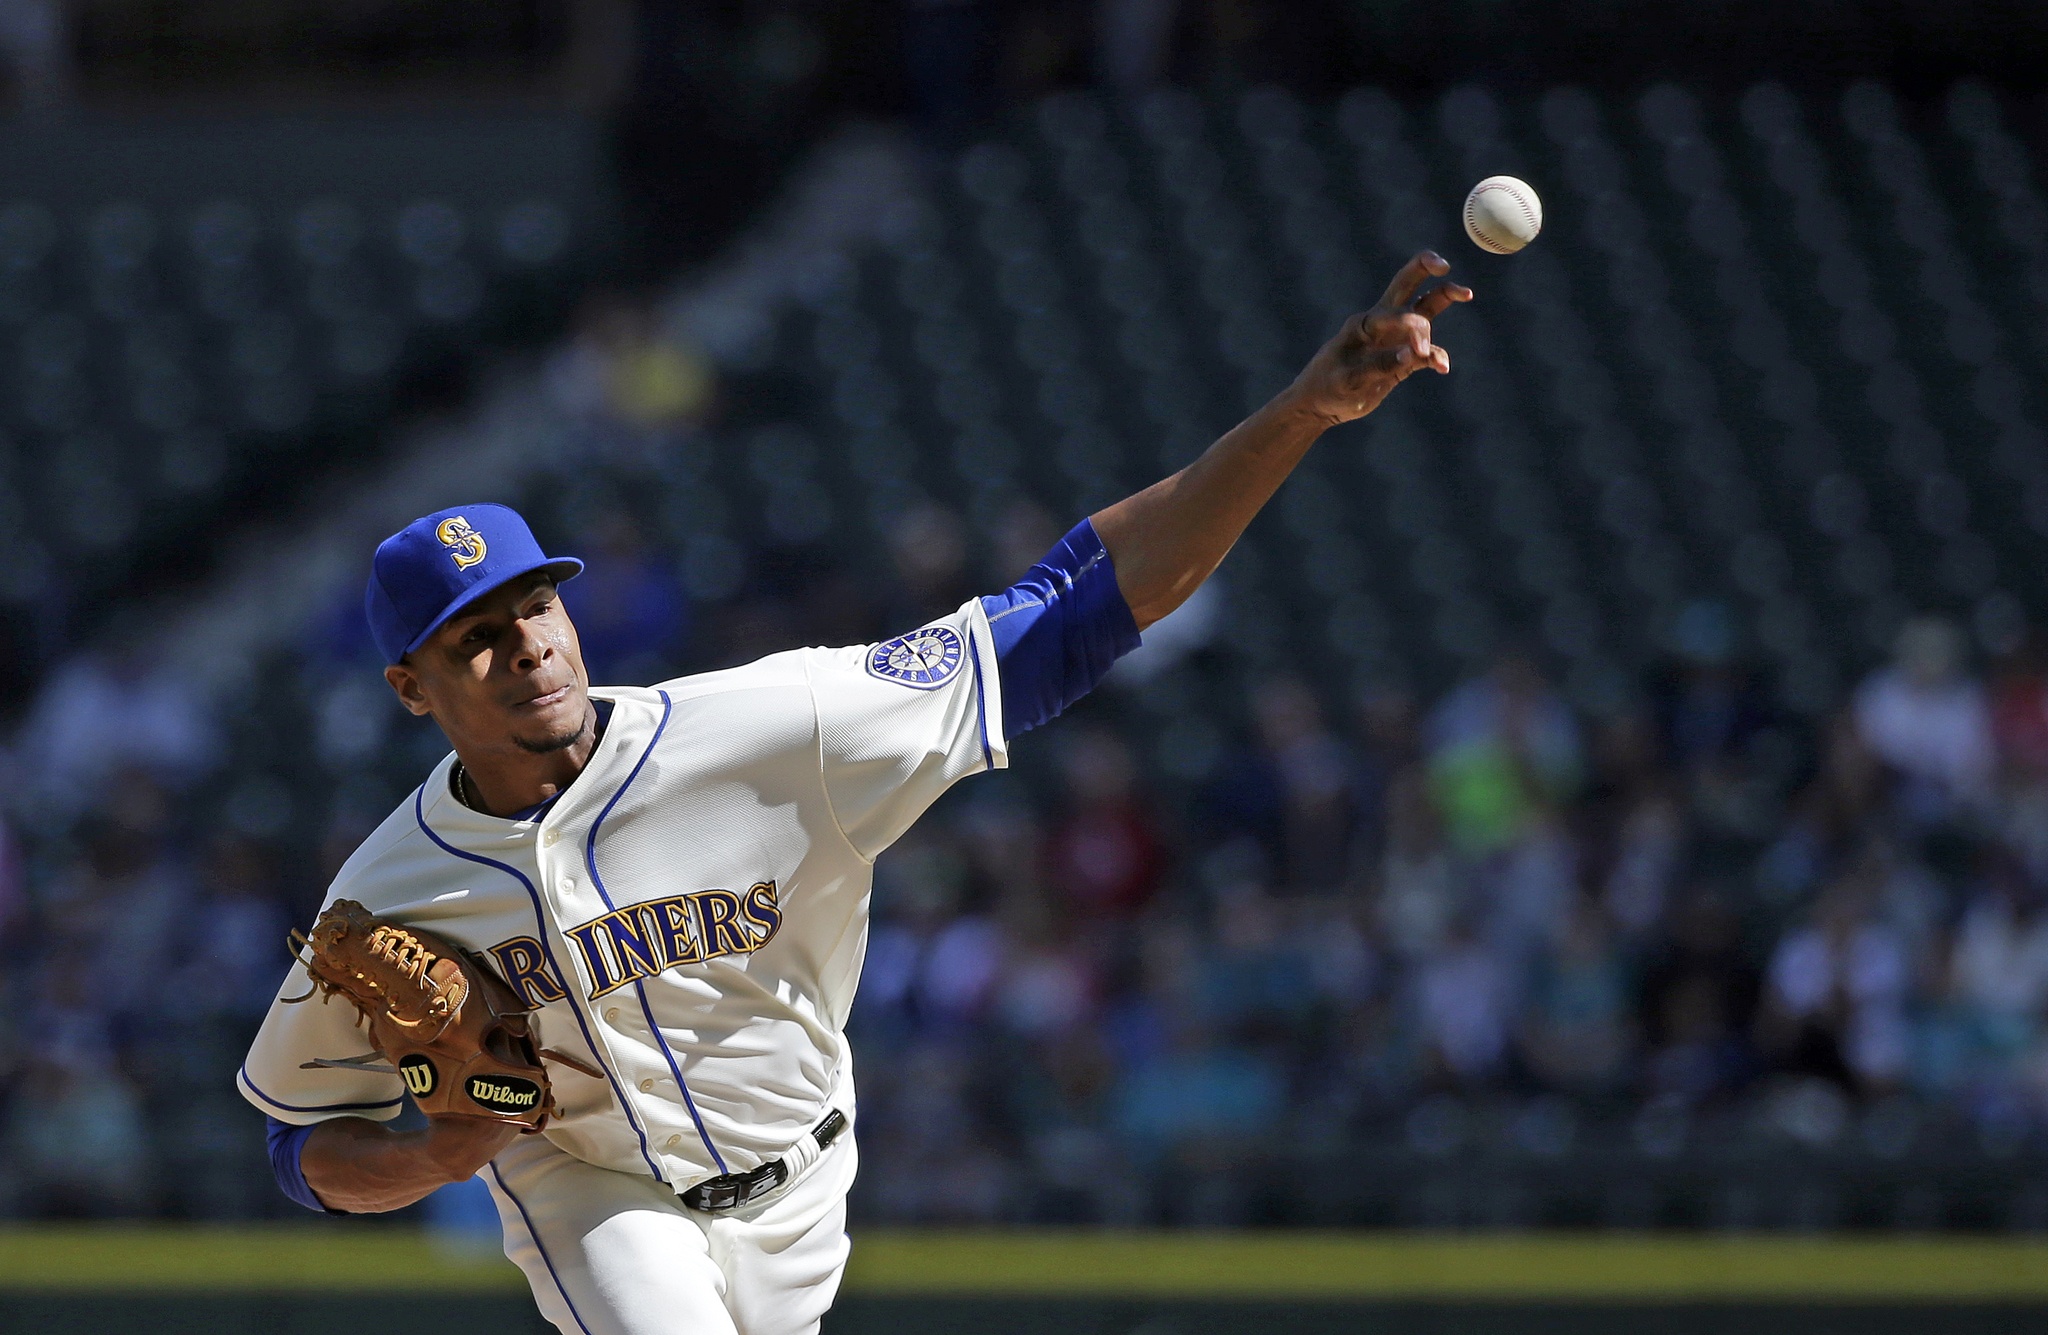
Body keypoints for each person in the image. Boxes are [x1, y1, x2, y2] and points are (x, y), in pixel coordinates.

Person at [235, 253, 1470, 1335]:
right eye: (477, 643)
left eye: (535, 608)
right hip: (588, 1191)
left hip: (806, 1176)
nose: (530, 650)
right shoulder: (389, 888)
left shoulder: (770, 729)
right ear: (409, 687)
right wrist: (427, 1157)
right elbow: (300, 1145)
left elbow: (1069, 611)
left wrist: (1302, 414)